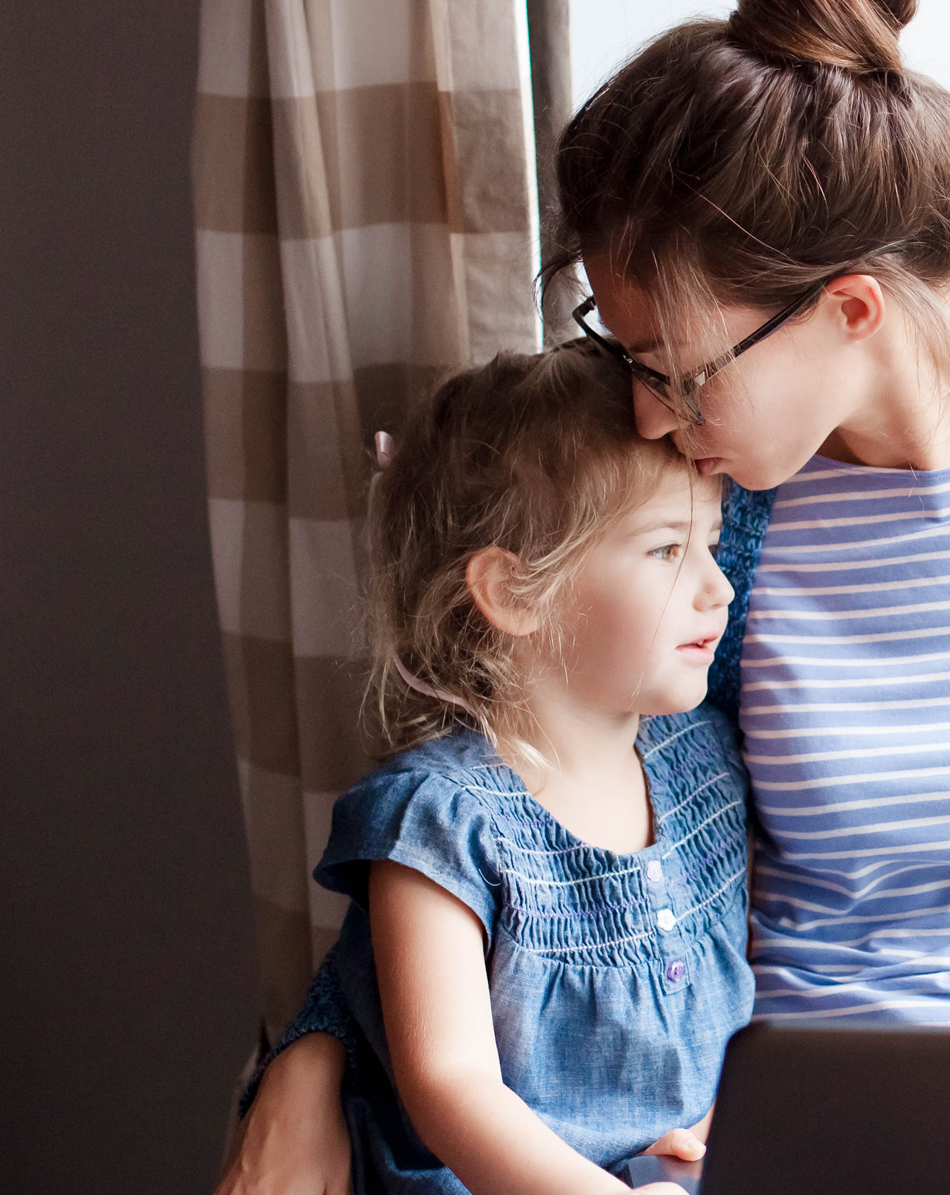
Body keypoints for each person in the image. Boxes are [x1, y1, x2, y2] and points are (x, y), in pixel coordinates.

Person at [221, 1, 950, 1190]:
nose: (643, 412)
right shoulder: (696, 507)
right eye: (625, 358)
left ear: (848, 310)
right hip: (800, 1154)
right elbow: (519, 792)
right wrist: (315, 1054)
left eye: (675, 372)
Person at [228, 344, 751, 1195]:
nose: (716, 587)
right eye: (664, 551)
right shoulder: (441, 815)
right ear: (515, 593)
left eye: (714, 543)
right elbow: (450, 1086)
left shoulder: (706, 764)